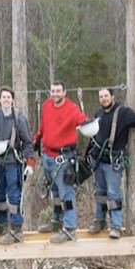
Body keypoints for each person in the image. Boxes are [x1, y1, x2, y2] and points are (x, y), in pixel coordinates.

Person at [86, 87, 135, 239]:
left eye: (106, 96)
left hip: (112, 162)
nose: (104, 99)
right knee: (100, 193)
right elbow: (93, 138)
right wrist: (87, 156)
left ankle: (116, 226)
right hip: (98, 161)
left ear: (112, 96)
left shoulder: (123, 113)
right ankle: (100, 220)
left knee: (113, 194)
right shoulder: (98, 114)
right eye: (101, 97)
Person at [34, 82, 89, 242]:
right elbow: (44, 125)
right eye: (53, 91)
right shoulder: (47, 105)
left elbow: (81, 119)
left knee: (66, 193)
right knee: (55, 193)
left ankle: (70, 228)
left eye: (58, 91)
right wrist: (37, 138)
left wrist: (87, 122)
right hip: (48, 157)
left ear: (64, 92)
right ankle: (57, 221)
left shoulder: (71, 108)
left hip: (63, 159)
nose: (55, 94)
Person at [0, 87, 35, 244]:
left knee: (13, 196)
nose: (6, 99)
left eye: (8, 97)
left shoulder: (19, 118)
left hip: (13, 162)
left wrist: (30, 162)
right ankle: (0, 224)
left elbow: (28, 141)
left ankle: (16, 230)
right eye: (3, 97)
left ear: (12, 99)